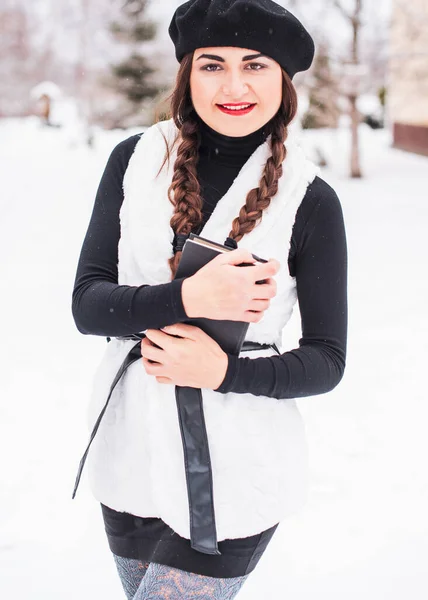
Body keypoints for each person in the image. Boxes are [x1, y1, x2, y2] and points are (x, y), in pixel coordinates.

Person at [71, 1, 348, 598]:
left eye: (255, 66)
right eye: (211, 65)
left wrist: (222, 372)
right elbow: (88, 305)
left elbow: (327, 360)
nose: (233, 85)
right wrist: (190, 294)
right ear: (186, 75)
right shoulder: (135, 161)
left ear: (283, 81)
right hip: (132, 449)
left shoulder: (310, 199)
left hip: (240, 462)